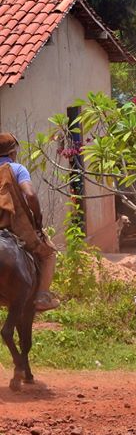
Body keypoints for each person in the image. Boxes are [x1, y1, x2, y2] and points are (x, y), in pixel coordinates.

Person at [0, 133, 59, 311]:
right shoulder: (17, 169)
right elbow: (31, 195)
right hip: (14, 225)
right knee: (48, 253)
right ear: (12, 153)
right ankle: (42, 296)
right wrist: (38, 218)